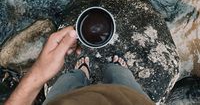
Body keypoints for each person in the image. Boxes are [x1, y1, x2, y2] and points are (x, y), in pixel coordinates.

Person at [5, 26, 155, 105]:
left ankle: (81, 72)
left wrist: (38, 75)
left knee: (70, 79)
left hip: (64, 102)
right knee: (121, 76)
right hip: (130, 100)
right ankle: (116, 68)